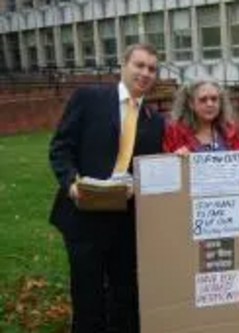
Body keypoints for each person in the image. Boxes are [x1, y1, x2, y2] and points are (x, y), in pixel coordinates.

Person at [49, 43, 164, 333]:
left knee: (124, 293)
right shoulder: (89, 98)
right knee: (87, 294)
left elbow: (152, 169)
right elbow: (61, 148)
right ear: (123, 66)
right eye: (139, 65)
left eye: (152, 68)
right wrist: (72, 183)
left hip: (126, 220)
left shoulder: (155, 121)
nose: (145, 73)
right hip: (83, 213)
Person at [163, 79, 239, 153]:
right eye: (203, 100)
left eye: (214, 99)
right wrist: (176, 159)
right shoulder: (175, 133)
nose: (210, 104)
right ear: (191, 104)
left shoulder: (231, 131)